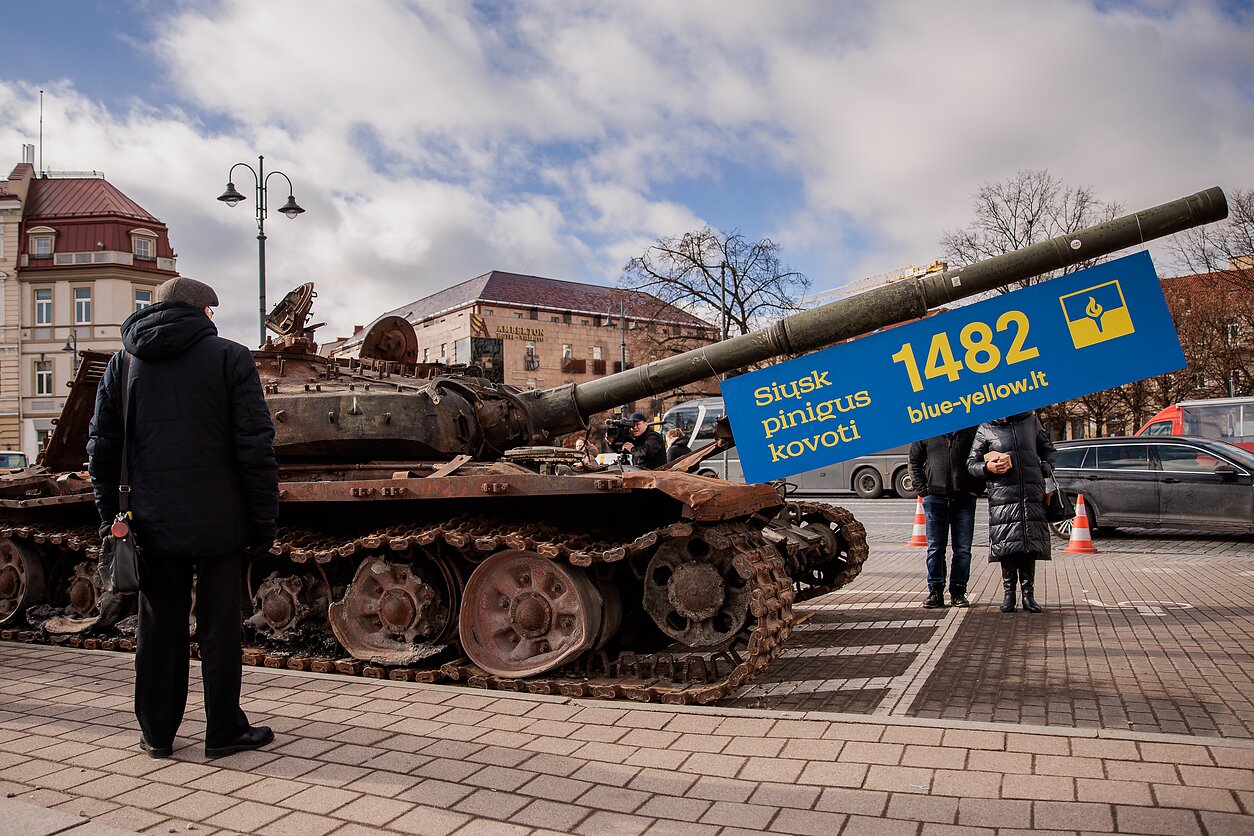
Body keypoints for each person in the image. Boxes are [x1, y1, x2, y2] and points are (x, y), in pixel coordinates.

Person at [87, 277, 279, 759]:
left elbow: (102, 448)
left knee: (157, 628)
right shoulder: (230, 358)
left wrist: (112, 515)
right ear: (202, 313)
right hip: (220, 518)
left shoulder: (123, 362)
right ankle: (224, 732)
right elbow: (254, 447)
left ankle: (157, 733)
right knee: (220, 627)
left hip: (147, 520)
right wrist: (263, 521)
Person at [967, 410, 1056, 614]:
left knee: (1028, 543)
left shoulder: (1031, 422)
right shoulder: (986, 427)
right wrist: (987, 467)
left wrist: (1043, 467)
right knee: (1007, 544)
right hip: (1003, 496)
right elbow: (971, 464)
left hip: (1030, 493)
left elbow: (1049, 450)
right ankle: (1009, 595)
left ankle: (1028, 595)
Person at [908, 428, 982, 609]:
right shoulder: (927, 428)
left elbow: (981, 459)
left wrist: (976, 490)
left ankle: (958, 592)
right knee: (935, 548)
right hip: (935, 498)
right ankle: (935, 591)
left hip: (964, 499)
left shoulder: (971, 429)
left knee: (963, 550)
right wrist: (923, 490)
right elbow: (914, 461)